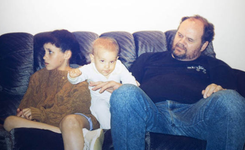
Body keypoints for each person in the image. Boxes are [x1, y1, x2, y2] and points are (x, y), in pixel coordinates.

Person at [91, 15, 245, 150]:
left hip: (195, 117)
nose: (181, 42)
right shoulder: (147, 58)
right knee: (124, 93)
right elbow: (131, 89)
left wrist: (220, 90)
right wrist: (122, 87)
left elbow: (231, 103)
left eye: (189, 39)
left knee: (230, 99)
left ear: (204, 45)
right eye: (180, 35)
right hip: (152, 113)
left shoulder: (216, 65)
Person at [3, 29, 103, 150]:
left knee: (69, 121)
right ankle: (70, 134)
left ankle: (72, 133)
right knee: (9, 121)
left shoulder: (79, 76)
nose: (44, 56)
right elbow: (26, 106)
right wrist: (24, 113)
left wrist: (39, 114)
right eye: (44, 51)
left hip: (74, 121)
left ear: (66, 54)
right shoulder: (37, 77)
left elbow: (75, 110)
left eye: (50, 52)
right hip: (46, 124)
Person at [68, 37, 138, 130]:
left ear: (116, 59)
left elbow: (130, 82)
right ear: (93, 58)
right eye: (102, 61)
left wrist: (133, 84)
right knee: (100, 108)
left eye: (111, 61)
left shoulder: (119, 66)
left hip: (116, 99)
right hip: (99, 99)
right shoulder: (88, 69)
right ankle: (109, 132)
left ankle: (127, 128)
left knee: (128, 109)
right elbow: (76, 79)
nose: (107, 66)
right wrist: (73, 76)